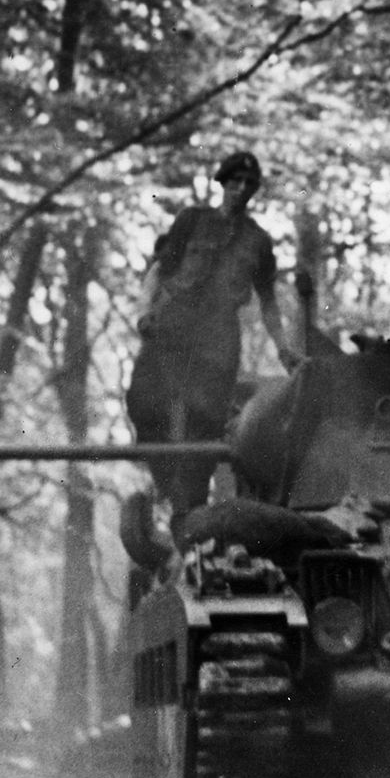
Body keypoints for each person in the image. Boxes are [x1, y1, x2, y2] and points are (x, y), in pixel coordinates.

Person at [125, 150, 296, 513]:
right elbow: (158, 270)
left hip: (217, 338)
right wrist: (144, 311)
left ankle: (191, 510)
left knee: (204, 424)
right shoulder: (192, 220)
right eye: (235, 181)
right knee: (143, 404)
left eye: (249, 184)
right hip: (171, 326)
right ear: (222, 182)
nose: (241, 188)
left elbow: (268, 302)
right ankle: (165, 486)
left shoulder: (258, 241)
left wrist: (283, 349)